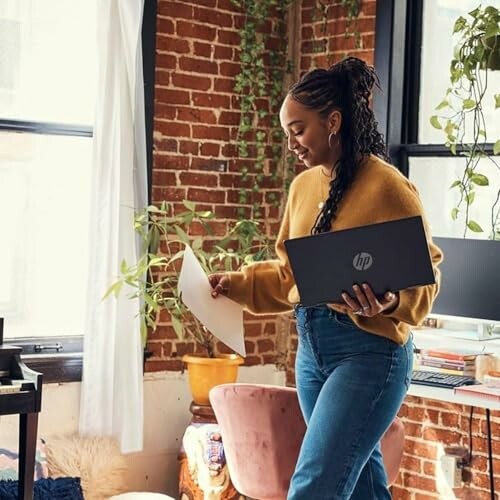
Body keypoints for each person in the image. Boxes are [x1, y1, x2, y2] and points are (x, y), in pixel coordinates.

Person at [209, 57, 442, 499]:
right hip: (312, 353)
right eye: (287, 134)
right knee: (363, 486)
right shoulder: (302, 189)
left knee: (314, 486)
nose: (292, 144)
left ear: (333, 121)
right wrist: (234, 284)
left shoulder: (388, 188)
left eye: (298, 130)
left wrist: (389, 303)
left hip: (370, 355)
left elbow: (426, 281)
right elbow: (289, 278)